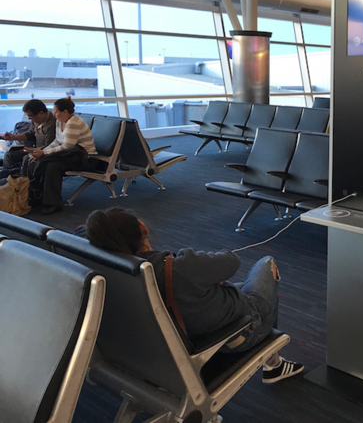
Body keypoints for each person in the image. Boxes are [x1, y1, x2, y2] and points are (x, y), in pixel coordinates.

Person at [84, 207, 303, 384]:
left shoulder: (106, 272)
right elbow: (231, 260)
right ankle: (273, 362)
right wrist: (187, 258)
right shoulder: (180, 268)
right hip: (234, 334)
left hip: (165, 344)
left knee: (232, 285)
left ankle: (274, 361)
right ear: (143, 229)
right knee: (266, 265)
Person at [25, 97, 97, 215]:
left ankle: (53, 203)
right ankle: (36, 196)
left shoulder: (74, 123)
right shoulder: (60, 121)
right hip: (70, 155)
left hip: (84, 157)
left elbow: (67, 146)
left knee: (53, 166)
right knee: (38, 160)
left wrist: (44, 153)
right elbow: (57, 142)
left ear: (65, 112)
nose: (54, 114)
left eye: (56, 112)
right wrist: (43, 151)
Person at [2, 99, 56, 173]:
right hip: (35, 148)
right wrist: (14, 137)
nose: (30, 119)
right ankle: (9, 177)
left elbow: (49, 146)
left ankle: (21, 180)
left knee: (26, 158)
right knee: (9, 155)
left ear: (41, 113)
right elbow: (30, 134)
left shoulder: (51, 124)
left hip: (44, 151)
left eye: (30, 116)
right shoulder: (36, 120)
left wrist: (29, 150)